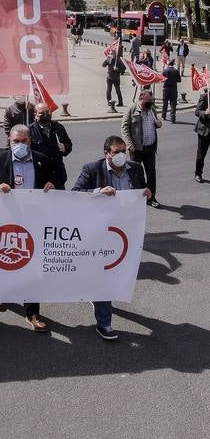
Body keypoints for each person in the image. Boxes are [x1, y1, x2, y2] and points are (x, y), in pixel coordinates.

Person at [71, 136, 150, 340]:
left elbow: (141, 192)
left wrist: (146, 194)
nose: (121, 155)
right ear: (107, 154)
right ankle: (104, 323)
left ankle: (97, 296)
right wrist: (98, 192)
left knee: (119, 271)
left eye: (123, 150)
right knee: (103, 273)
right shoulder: (92, 169)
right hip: (101, 231)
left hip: (126, 231)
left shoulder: (135, 168)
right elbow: (75, 194)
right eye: (116, 152)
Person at [0, 125, 56, 332]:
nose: (20, 145)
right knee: (5, 259)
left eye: (24, 141)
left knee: (33, 263)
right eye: (16, 141)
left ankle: (32, 311)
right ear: (9, 141)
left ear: (30, 141)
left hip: (34, 220)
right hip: (7, 221)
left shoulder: (42, 160)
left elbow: (54, 183)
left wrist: (51, 185)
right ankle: (1, 292)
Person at [122, 90, 162, 207]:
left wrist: (159, 123)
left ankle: (151, 197)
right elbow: (124, 127)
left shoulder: (152, 109)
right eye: (148, 101)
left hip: (150, 148)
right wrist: (129, 144)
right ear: (141, 99)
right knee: (135, 174)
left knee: (151, 174)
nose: (150, 102)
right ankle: (136, 198)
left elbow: (158, 122)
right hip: (137, 149)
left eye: (152, 100)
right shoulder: (132, 109)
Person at [28, 103, 72, 189]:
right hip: (39, 175)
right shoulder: (30, 130)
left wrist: (65, 148)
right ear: (35, 114)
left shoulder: (58, 127)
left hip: (57, 175)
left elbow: (69, 144)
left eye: (47, 112)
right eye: (41, 113)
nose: (45, 114)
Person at [193, 91, 210, 183]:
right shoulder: (205, 97)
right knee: (201, 155)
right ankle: (198, 173)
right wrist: (205, 113)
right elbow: (197, 111)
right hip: (204, 131)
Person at [161, 59, 181, 123]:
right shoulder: (176, 71)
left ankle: (163, 116)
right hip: (173, 89)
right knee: (173, 104)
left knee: (165, 103)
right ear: (173, 64)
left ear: (168, 64)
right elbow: (179, 80)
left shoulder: (165, 70)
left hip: (166, 89)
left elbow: (162, 79)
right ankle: (173, 118)